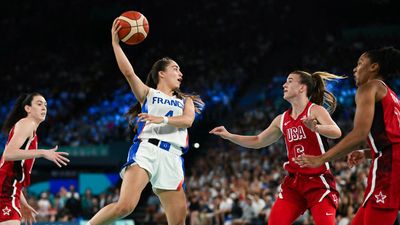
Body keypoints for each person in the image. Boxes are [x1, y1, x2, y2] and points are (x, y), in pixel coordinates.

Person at [87, 19, 204, 225]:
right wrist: (116, 45)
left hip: (173, 156)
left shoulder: (186, 101)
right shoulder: (148, 94)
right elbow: (129, 73)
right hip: (147, 149)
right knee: (125, 206)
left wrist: (162, 119)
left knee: (178, 220)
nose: (180, 73)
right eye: (175, 69)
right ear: (162, 73)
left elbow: (187, 121)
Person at [210, 71, 345, 225]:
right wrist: (229, 136)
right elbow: (258, 140)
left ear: (302, 88)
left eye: (289, 81)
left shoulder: (314, 110)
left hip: (318, 182)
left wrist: (316, 128)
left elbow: (336, 132)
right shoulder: (281, 119)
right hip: (294, 185)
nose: (284, 84)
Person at [294, 46, 400, 225]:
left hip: (389, 166)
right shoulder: (391, 95)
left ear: (374, 67)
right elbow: (393, 138)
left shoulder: (369, 88)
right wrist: (367, 153)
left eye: (360, 63)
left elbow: (359, 134)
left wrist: (322, 158)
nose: (355, 69)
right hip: (390, 162)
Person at [0, 93, 70, 225]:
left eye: (45, 105)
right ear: (28, 108)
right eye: (39, 104)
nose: (44, 108)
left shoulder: (28, 128)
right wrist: (42, 152)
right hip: (5, 190)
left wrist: (23, 203)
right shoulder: (27, 123)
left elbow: (10, 171)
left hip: (9, 189)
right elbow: (8, 154)